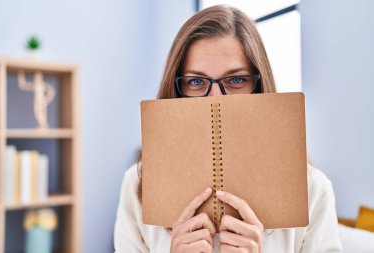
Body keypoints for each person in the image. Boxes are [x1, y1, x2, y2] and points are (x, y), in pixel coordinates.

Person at [114, 5, 342, 253]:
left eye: (235, 80)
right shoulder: (138, 185)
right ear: (177, 90)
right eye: (196, 81)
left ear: (258, 85)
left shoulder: (312, 189)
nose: (215, 98)